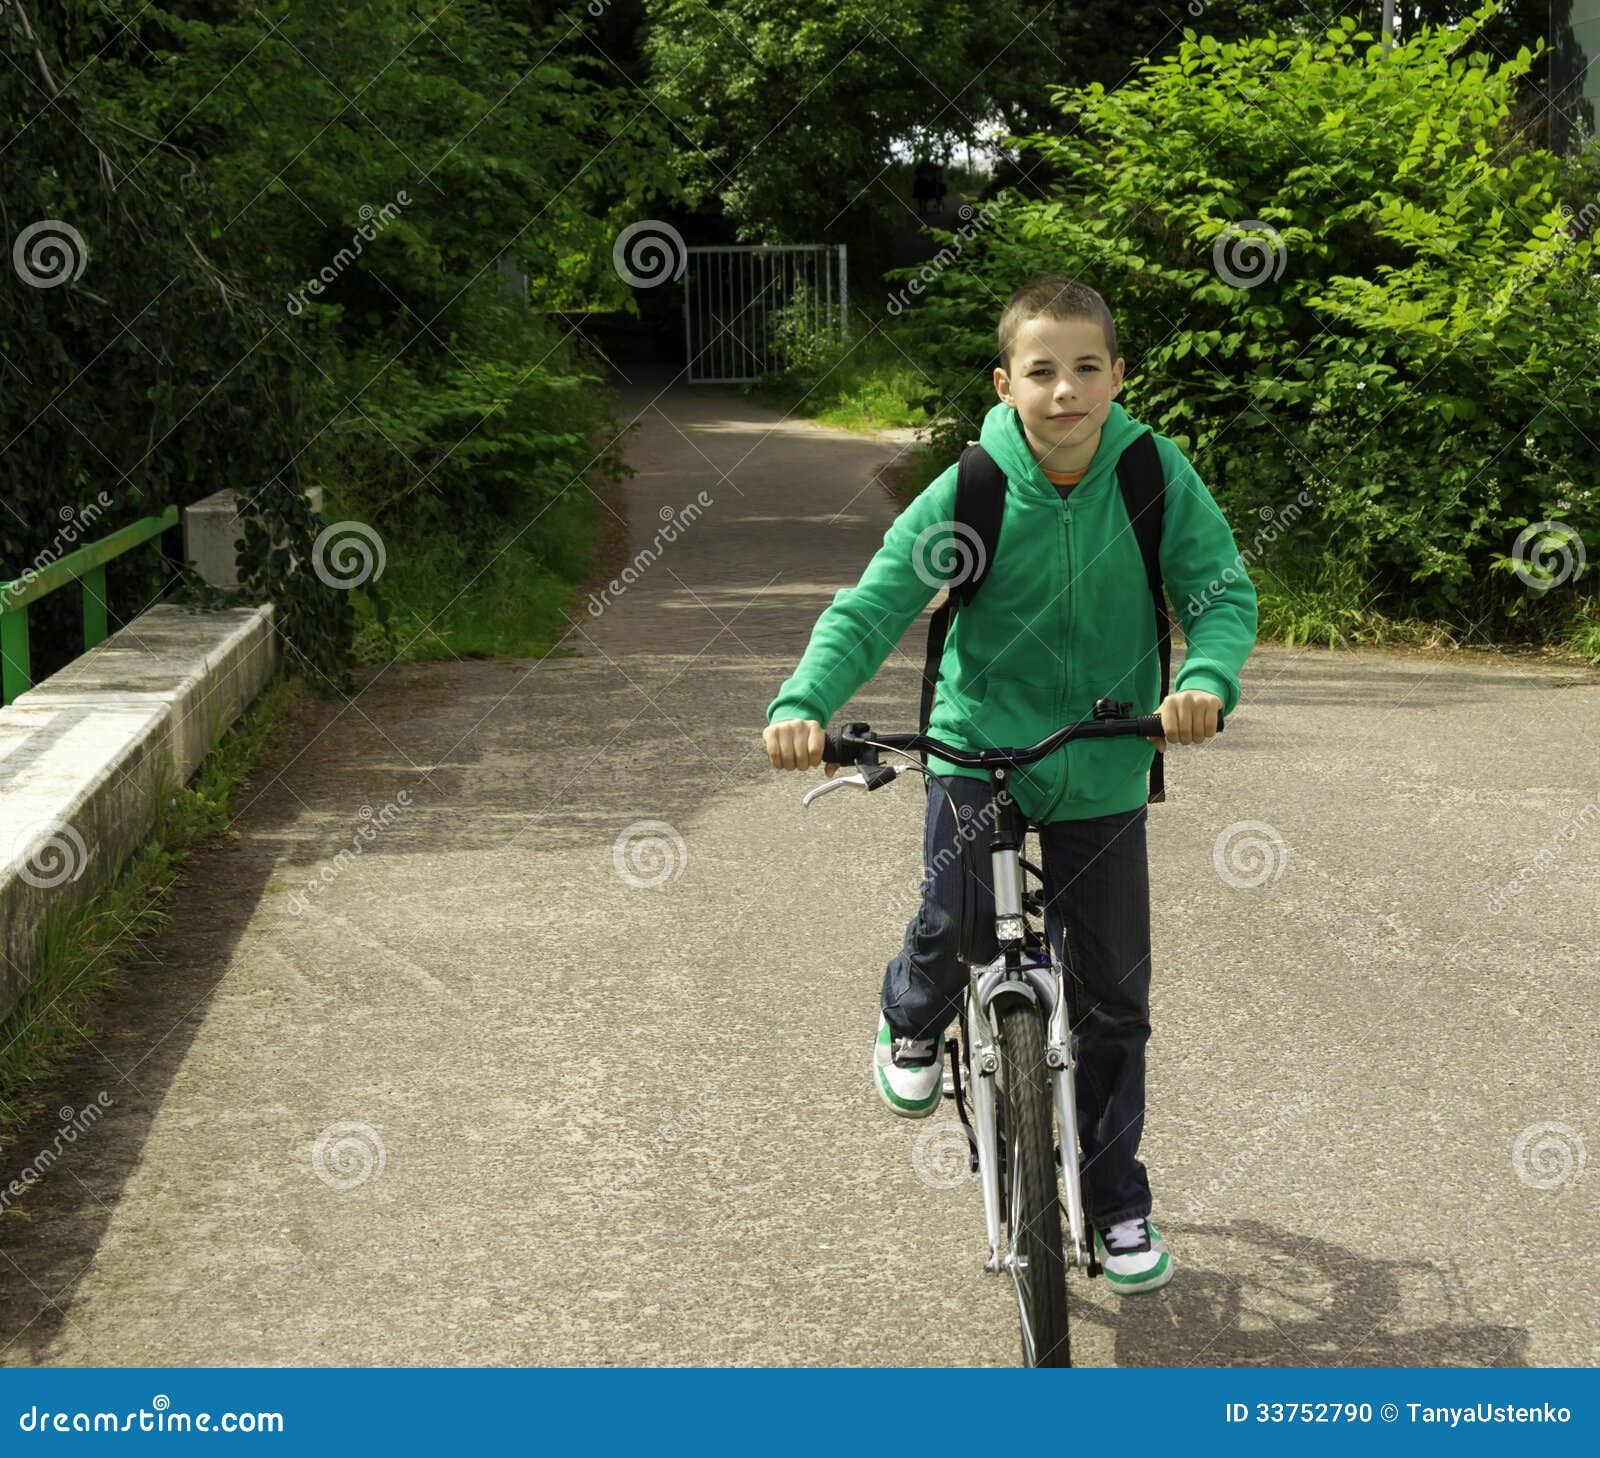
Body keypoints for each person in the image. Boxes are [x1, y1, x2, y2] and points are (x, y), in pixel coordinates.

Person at [761, 276, 1258, 1293]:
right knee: (949, 927)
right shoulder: (973, 489)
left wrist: (1205, 680)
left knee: (1115, 1000)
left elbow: (1219, 595)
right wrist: (802, 702)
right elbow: (874, 606)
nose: (1065, 390)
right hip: (979, 743)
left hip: (1107, 756)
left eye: (1086, 368)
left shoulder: (1152, 477)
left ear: (1118, 376)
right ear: (1006, 382)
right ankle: (910, 1014)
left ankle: (1118, 1208)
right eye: (1041, 371)